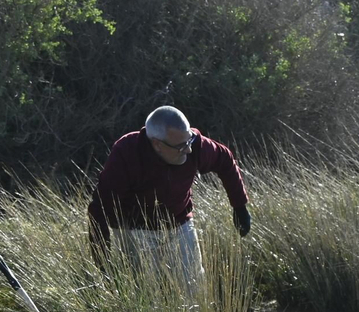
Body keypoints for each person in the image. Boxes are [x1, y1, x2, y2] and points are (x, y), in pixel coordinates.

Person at [87, 106, 252, 292]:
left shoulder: (195, 145)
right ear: (157, 144)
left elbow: (225, 160)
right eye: (181, 146)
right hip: (134, 230)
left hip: (180, 224)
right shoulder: (126, 153)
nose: (188, 150)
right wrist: (104, 265)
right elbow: (98, 210)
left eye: (189, 140)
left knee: (194, 289)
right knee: (147, 295)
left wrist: (239, 206)